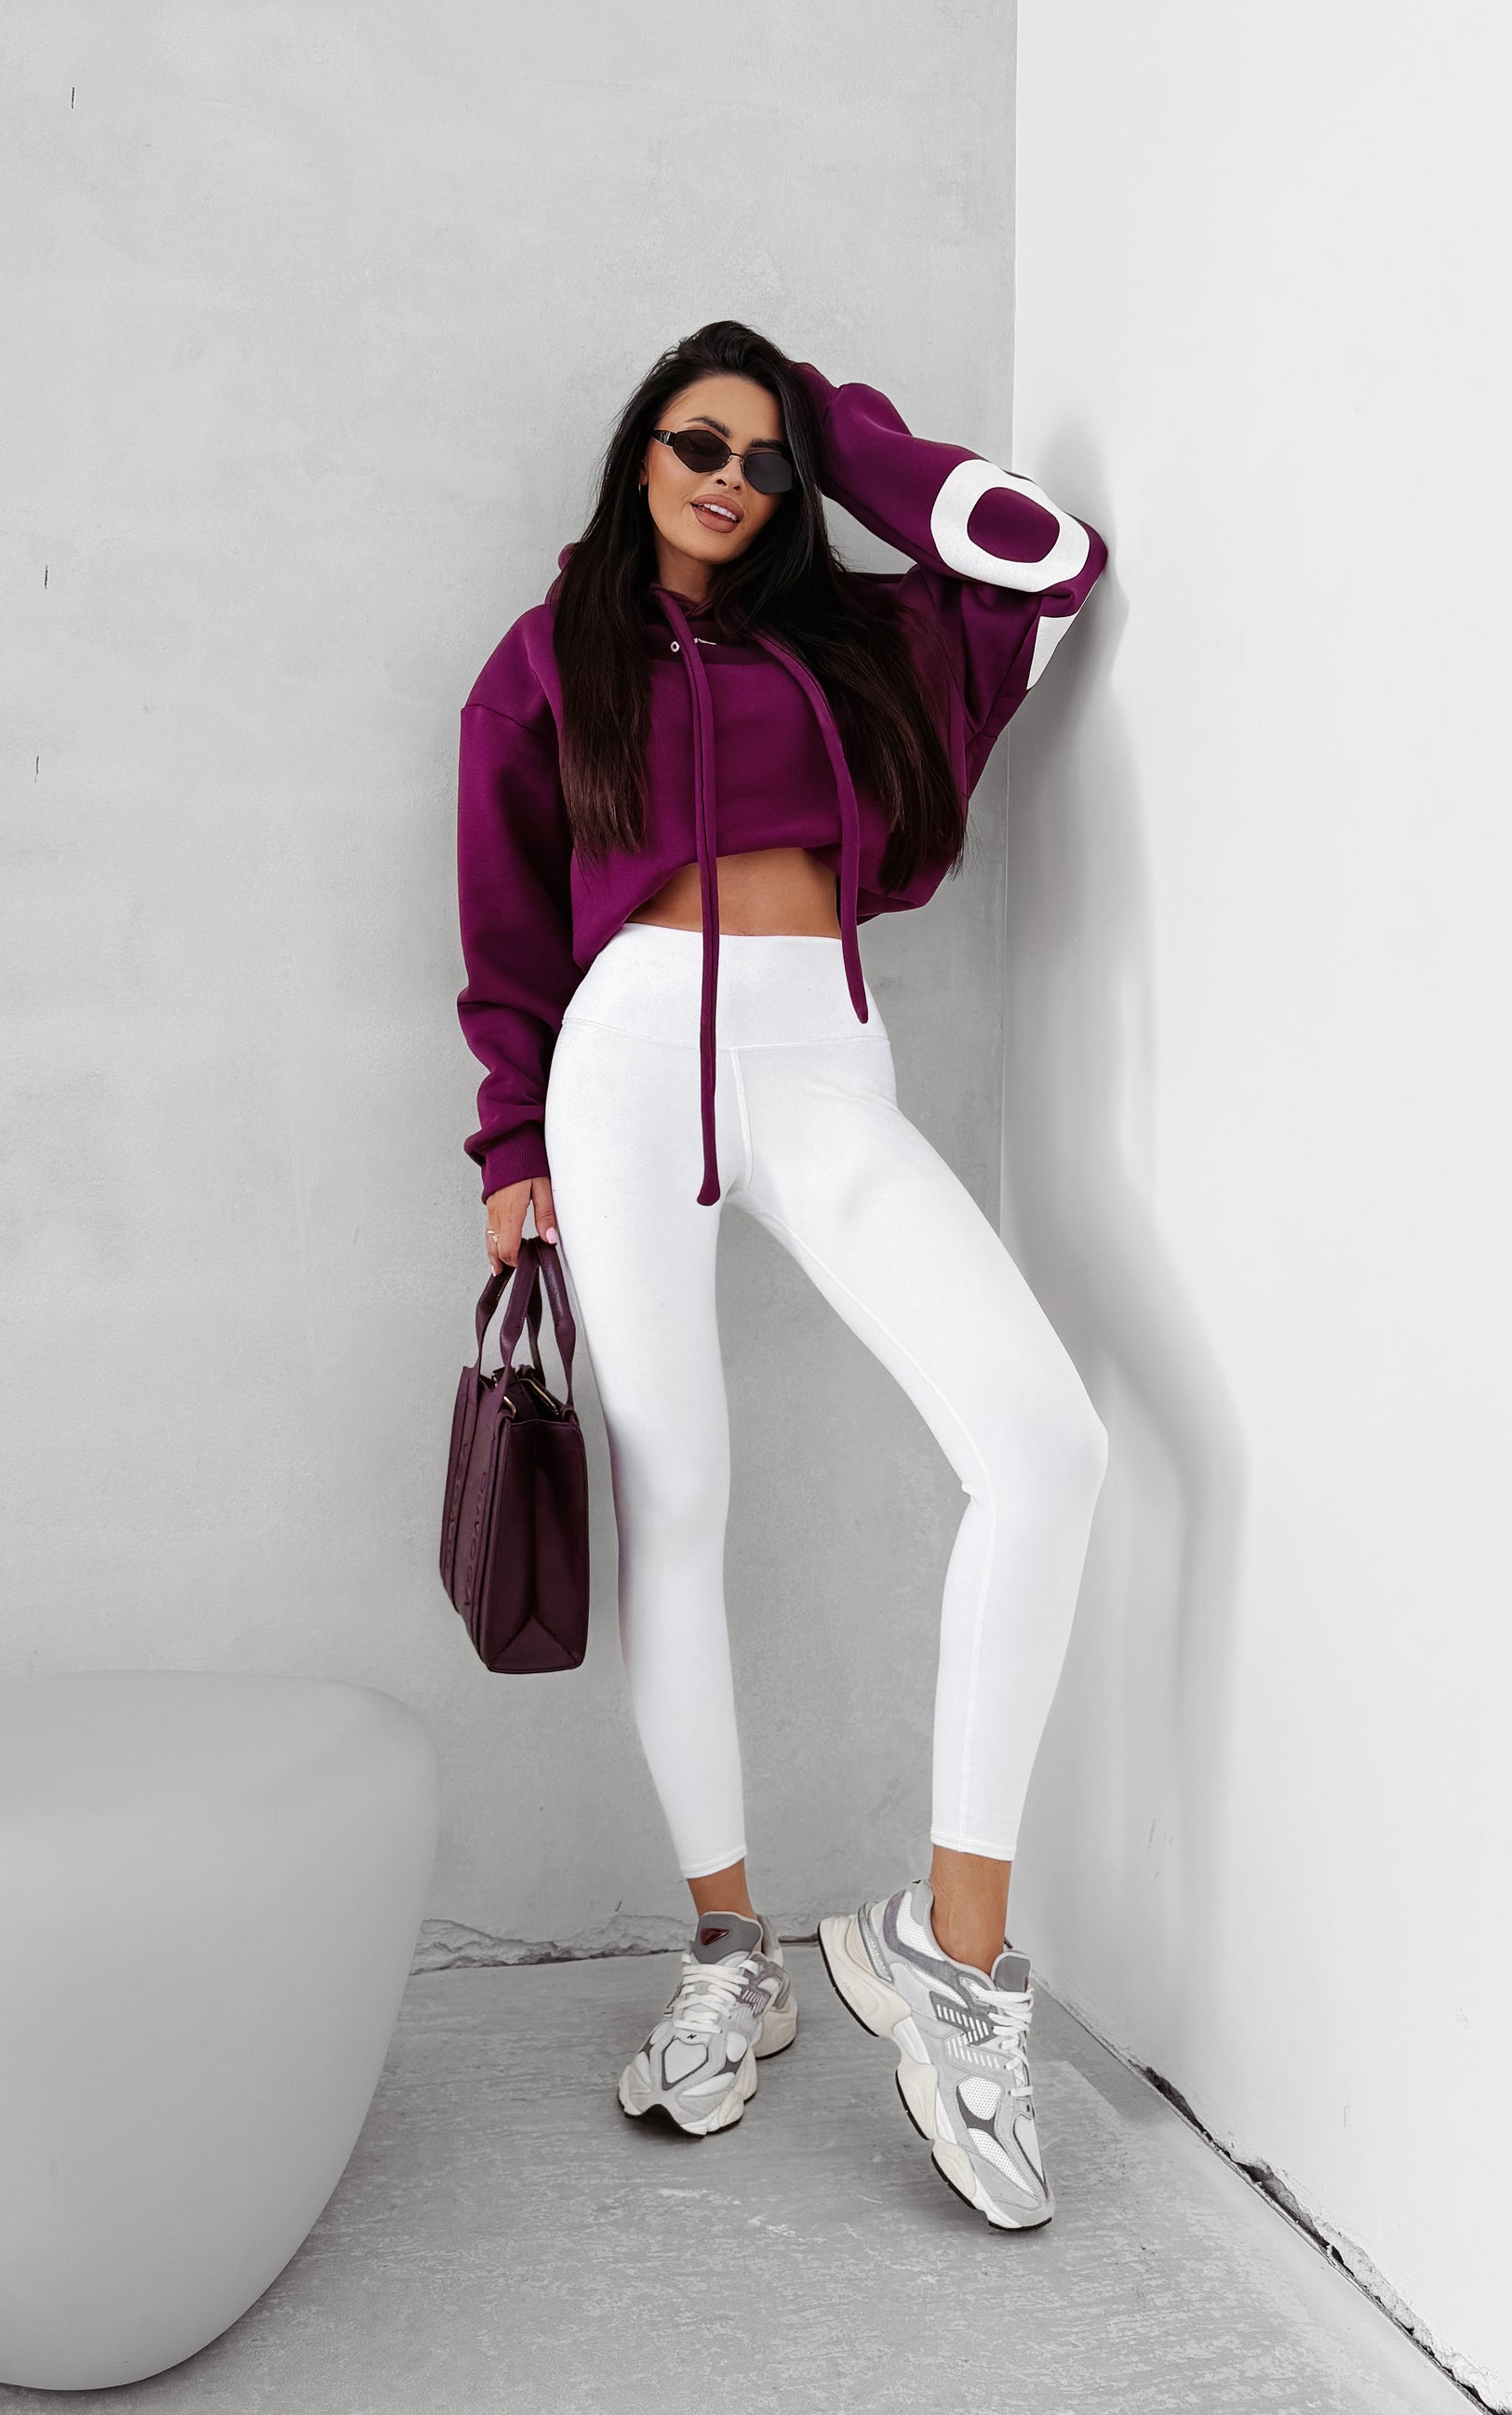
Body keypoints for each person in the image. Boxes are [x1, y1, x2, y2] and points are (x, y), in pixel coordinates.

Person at [454, 319, 1108, 2229]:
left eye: (762, 456)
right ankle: (728, 1950)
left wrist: (830, 421)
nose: (729, 480)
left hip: (824, 1062)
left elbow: (1048, 557)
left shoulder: (861, 636)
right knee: (678, 1495)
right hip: (622, 1066)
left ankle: (949, 1956)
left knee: (1043, 1448)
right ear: (635, 452)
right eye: (698, 442)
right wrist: (508, 1150)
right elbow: (502, 922)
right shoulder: (550, 652)